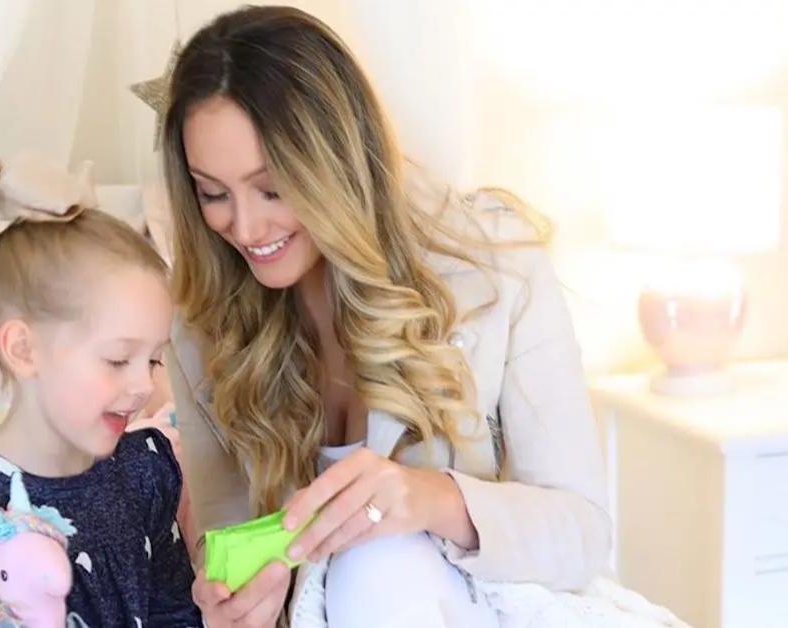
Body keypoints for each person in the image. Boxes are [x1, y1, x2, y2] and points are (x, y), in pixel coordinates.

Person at [161, 6, 611, 627]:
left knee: (382, 559)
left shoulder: (493, 266)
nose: (244, 226)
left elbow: (583, 533)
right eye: (213, 193)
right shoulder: (202, 328)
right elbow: (228, 541)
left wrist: (429, 500)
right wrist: (241, 603)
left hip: (482, 608)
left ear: (336, 163)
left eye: (271, 188)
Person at [0, 152, 200, 627]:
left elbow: (175, 617)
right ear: (23, 349)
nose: (144, 385)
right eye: (118, 360)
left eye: (155, 359)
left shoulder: (143, 474)